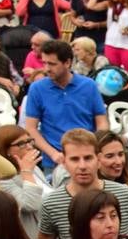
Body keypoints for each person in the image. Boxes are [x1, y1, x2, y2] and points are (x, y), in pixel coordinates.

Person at [38, 129, 128, 239]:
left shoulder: (126, 194)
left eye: (88, 158)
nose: (82, 166)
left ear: (98, 160)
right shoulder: (51, 203)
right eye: (75, 159)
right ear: (64, 162)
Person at [23, 40, 107, 171]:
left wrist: (95, 147)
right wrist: (53, 154)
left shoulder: (89, 85)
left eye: (52, 64)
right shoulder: (37, 88)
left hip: (87, 158)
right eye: (44, 63)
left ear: (67, 63)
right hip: (55, 161)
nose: (46, 69)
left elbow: (102, 122)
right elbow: (31, 129)